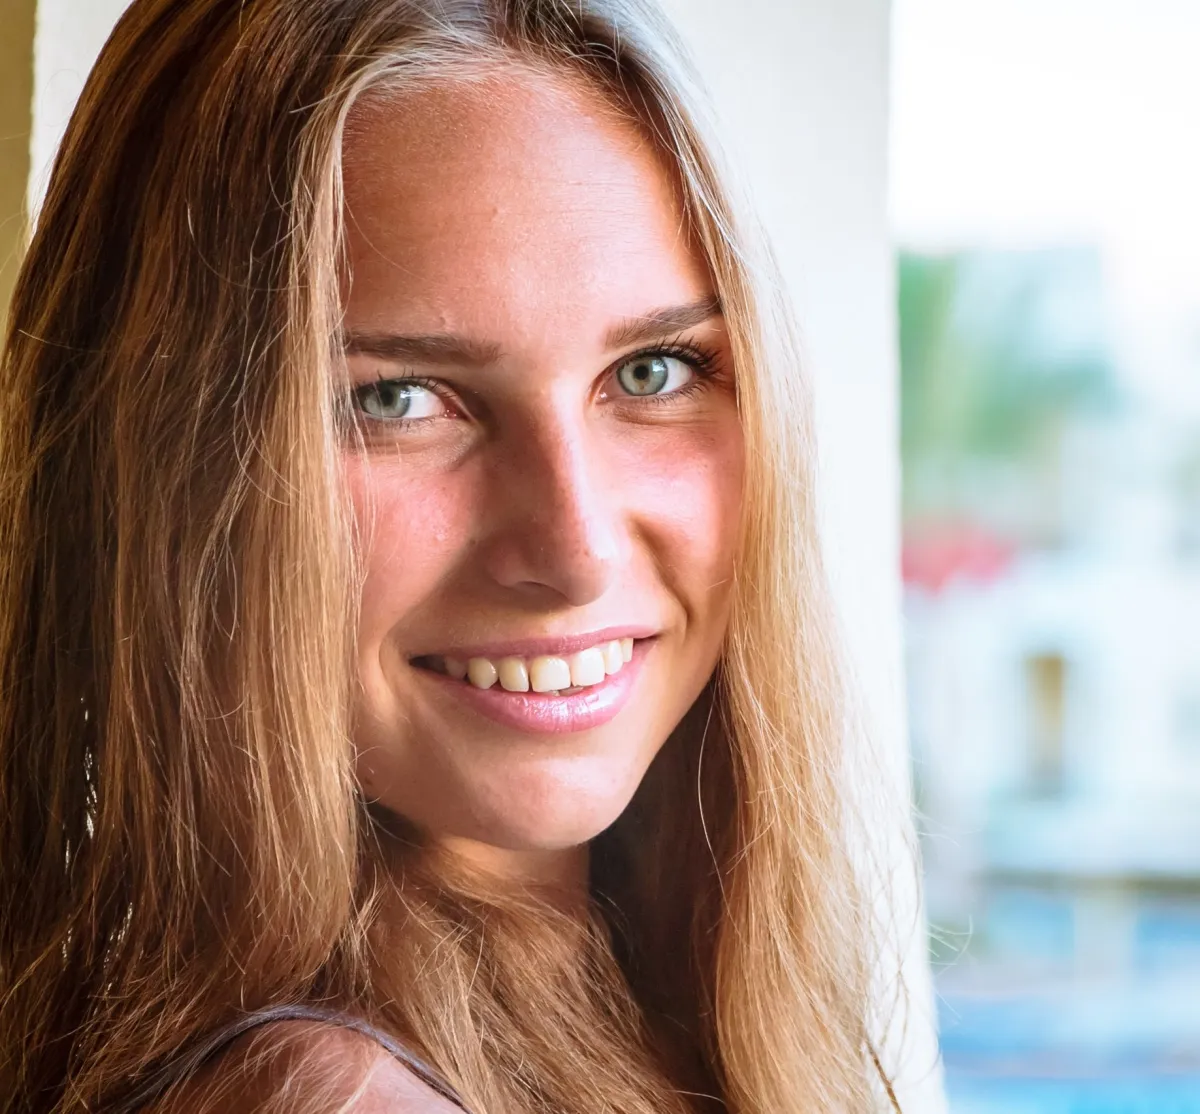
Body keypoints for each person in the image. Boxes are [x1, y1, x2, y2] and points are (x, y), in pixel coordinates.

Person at [0, 0, 907, 1111]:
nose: (575, 550)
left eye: (655, 371)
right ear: (155, 461)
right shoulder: (327, 1097)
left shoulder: (659, 1005)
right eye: (395, 398)